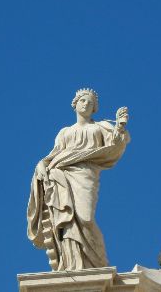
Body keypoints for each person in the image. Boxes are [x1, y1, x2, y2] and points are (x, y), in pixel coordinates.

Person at [27, 89, 130, 270]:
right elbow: (53, 155)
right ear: (75, 104)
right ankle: (71, 263)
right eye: (83, 101)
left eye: (90, 103)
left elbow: (116, 146)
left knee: (85, 218)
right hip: (61, 174)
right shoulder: (65, 132)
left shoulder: (100, 127)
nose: (86, 104)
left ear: (94, 109)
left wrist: (120, 127)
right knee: (67, 219)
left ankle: (97, 263)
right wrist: (41, 165)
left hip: (86, 172)